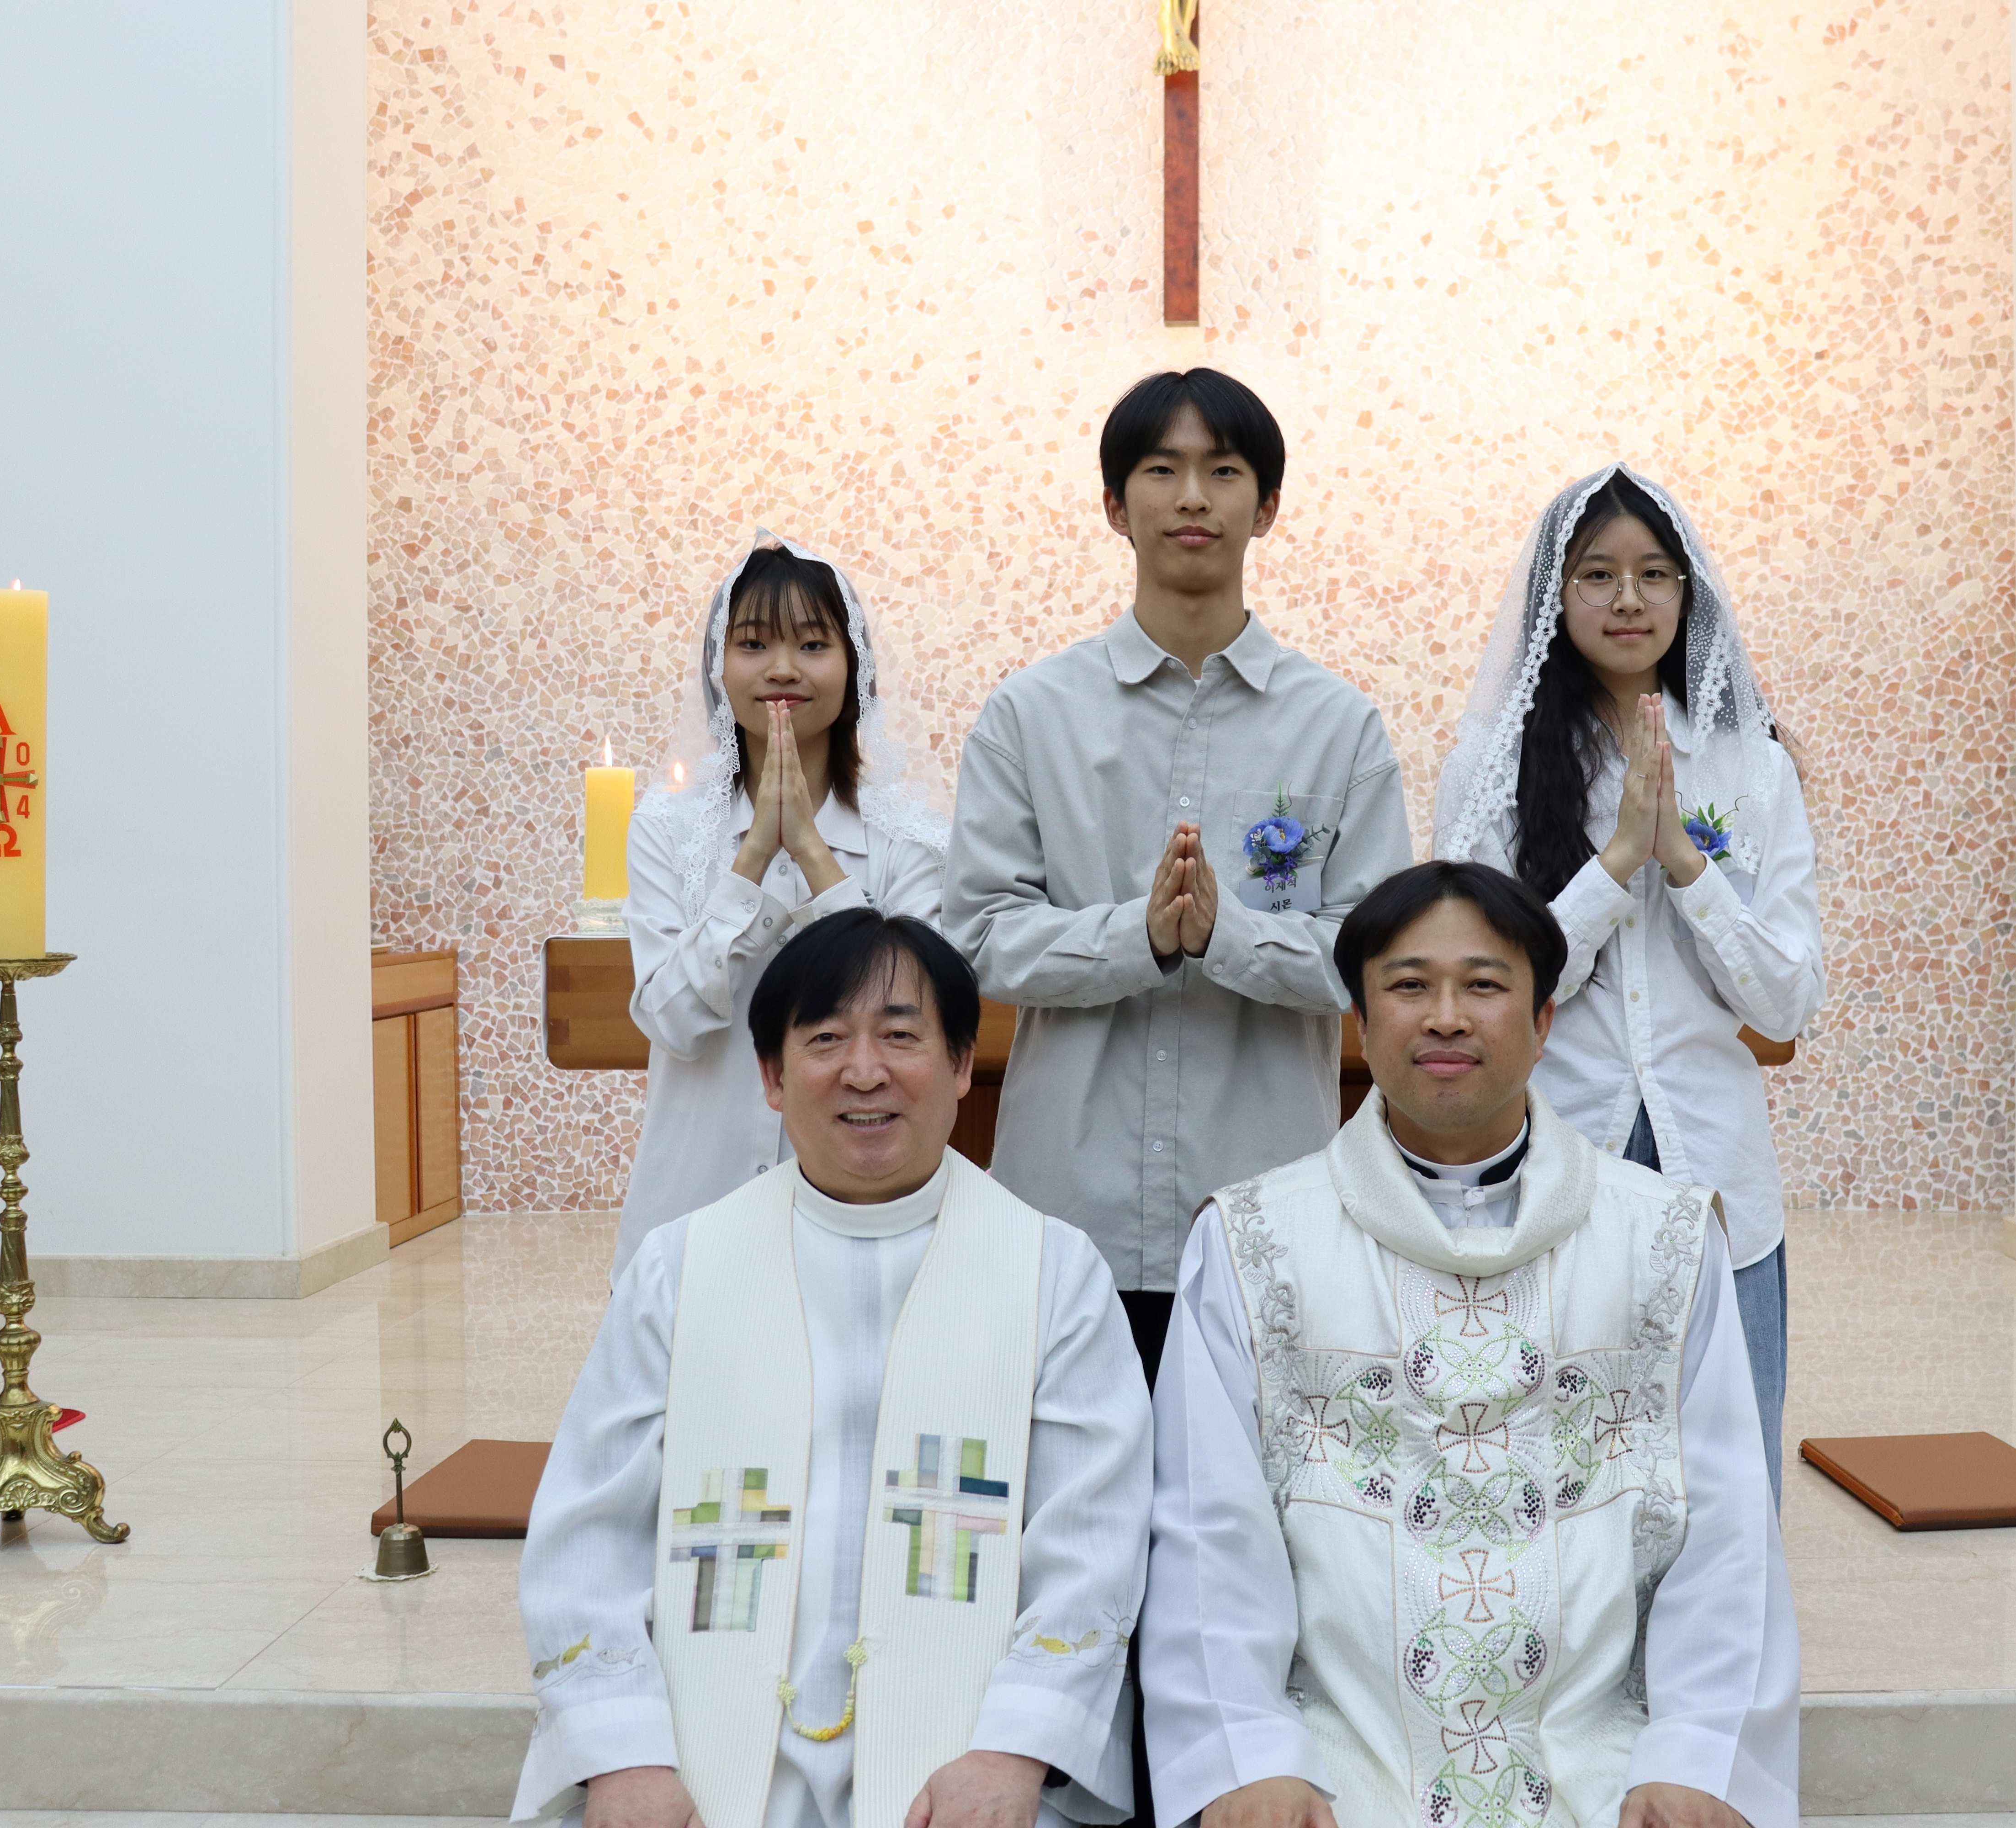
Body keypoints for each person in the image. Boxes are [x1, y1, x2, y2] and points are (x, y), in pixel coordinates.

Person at [1140, 861, 1798, 1828]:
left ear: (1543, 1020)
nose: (1445, 1017)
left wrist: (1697, 1756)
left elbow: (1728, 1529)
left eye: (1484, 985)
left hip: (1606, 1770)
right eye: (1410, 985)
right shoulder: (1253, 1243)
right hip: (1336, 1770)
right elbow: (1209, 1533)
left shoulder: (1662, 1238)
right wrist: (1252, 1757)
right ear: (1362, 1019)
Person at [515, 911, 1150, 1828]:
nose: (864, 1071)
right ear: (772, 1077)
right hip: (694, 1777)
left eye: (900, 1035)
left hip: (972, 1779)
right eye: (825, 1039)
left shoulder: (1053, 1270)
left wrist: (1014, 1751)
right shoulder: (679, 1269)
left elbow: (1094, 1541)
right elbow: (588, 1533)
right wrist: (623, 1757)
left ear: (962, 1064)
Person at [944, 367, 1415, 1379]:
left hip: (1268, 1214)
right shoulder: (1031, 715)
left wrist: (1226, 936)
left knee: (1257, 1480)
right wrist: (1143, 936)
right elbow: (977, 936)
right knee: (1065, 1476)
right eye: (1162, 470)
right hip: (1069, 1212)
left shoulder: (1339, 727)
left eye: (1224, 470)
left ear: (1268, 507)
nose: (1193, 497)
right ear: (1116, 507)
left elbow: (1380, 964)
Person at [1433, 467, 1823, 1502]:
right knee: (1547, 1477)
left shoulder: (1751, 768)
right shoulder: (1489, 765)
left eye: (1654, 574)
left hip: (1718, 1166)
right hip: (1551, 1159)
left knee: (1727, 1479)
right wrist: (1614, 866)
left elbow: (1786, 1001)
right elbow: (1478, 993)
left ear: (1688, 594)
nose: (1628, 599)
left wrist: (1686, 866)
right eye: (1597, 574)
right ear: (1555, 598)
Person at [610, 531, 947, 1281]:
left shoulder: (913, 841)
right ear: (718, 666)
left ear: (853, 666)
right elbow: (671, 1020)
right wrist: (753, 861)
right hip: (693, 1206)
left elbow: (915, 1013)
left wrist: (817, 861)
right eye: (754, 644)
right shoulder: (667, 830)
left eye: (814, 645)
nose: (783, 669)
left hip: (861, 1209)